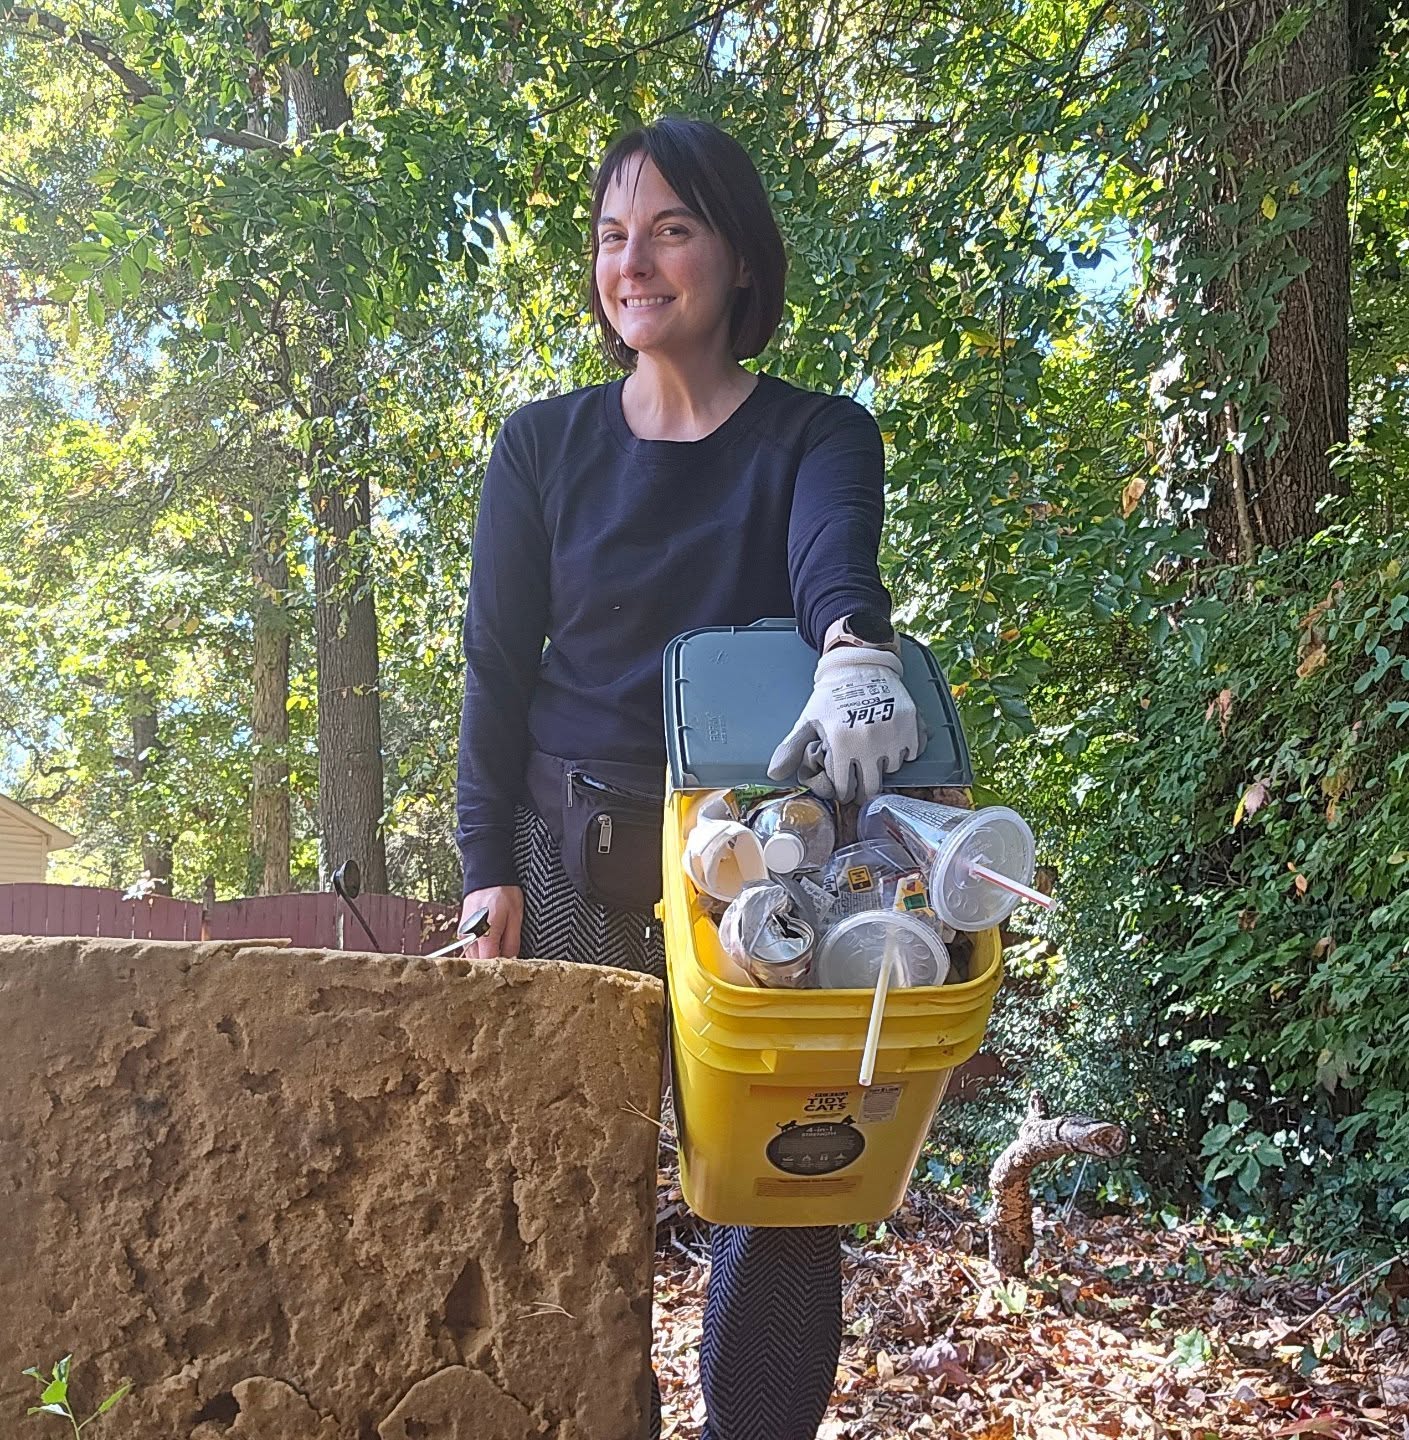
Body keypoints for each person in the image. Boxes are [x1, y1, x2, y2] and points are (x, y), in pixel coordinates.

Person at [456, 116, 924, 1440]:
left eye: (669, 228)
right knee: (563, 1188)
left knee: (780, 1187)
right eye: (612, 236)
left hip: (767, 863)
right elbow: (495, 668)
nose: (634, 261)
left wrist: (850, 657)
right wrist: (485, 869)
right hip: (568, 852)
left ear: (736, 256)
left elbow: (837, 564)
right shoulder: (540, 447)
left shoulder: (815, 436)